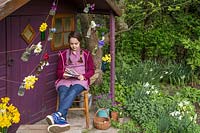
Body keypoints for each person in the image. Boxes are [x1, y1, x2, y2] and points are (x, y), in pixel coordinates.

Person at [46, 31, 95, 133]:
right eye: (71, 44)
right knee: (63, 92)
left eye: (76, 44)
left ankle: (57, 115)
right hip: (65, 80)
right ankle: (62, 121)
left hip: (80, 81)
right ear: (69, 43)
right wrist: (63, 74)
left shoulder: (86, 54)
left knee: (72, 91)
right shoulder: (63, 54)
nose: (74, 46)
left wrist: (84, 76)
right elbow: (58, 71)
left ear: (80, 42)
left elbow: (91, 70)